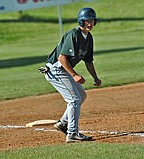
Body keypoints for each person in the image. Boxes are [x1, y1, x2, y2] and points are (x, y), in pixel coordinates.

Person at [39, 7, 101, 143]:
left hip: (63, 70)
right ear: (81, 22)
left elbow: (88, 61)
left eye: (92, 20)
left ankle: (63, 123)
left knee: (82, 95)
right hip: (55, 70)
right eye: (86, 21)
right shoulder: (73, 34)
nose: (90, 23)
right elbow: (62, 58)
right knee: (74, 99)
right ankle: (72, 133)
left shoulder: (89, 38)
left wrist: (95, 77)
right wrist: (74, 75)